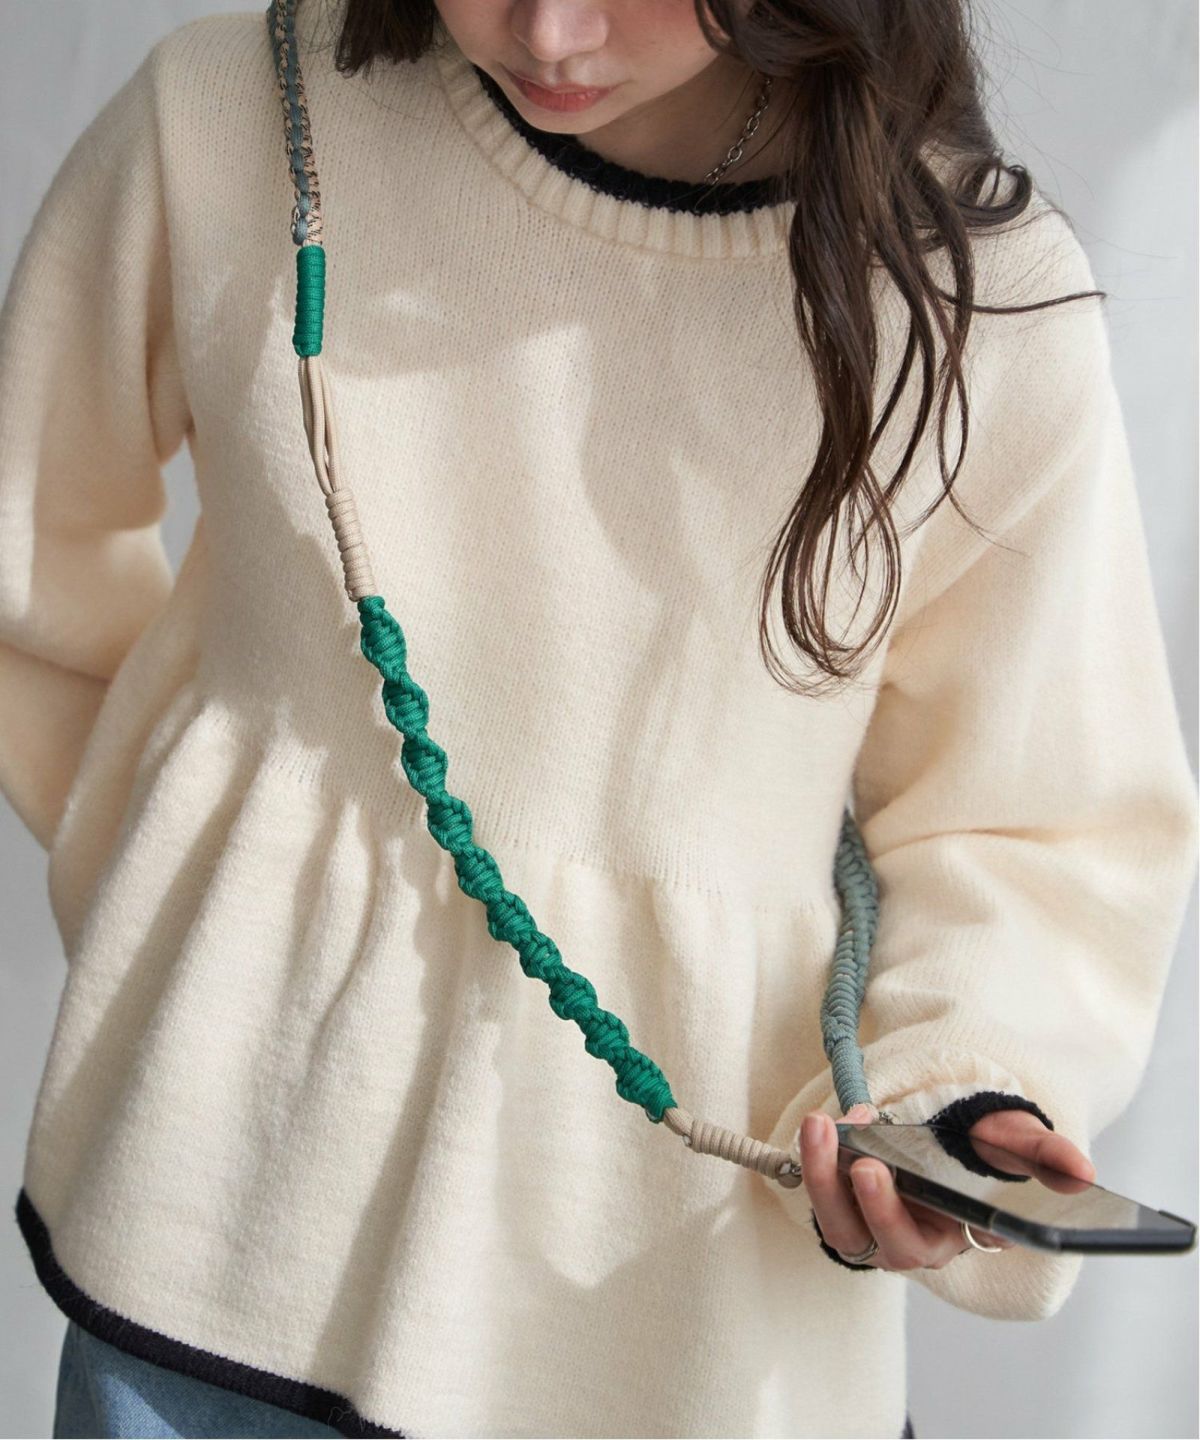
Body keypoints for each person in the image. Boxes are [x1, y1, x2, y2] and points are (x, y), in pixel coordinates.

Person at [0, 0, 1194, 1436]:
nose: (548, 29)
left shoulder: (972, 297)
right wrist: (208, 884)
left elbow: (1040, 823)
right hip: (211, 1252)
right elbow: (28, 559)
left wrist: (951, 1085)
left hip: (679, 1324)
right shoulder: (239, 119)